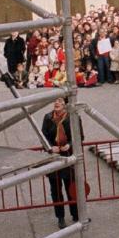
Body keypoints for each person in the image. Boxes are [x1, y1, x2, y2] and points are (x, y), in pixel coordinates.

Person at [41, 97, 83, 229]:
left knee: (72, 188)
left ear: (66, 104)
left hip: (68, 158)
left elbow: (80, 136)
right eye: (55, 100)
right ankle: (60, 217)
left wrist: (69, 145)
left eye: (60, 101)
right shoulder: (48, 117)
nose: (56, 103)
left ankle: (76, 215)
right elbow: (43, 137)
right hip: (53, 158)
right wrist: (49, 147)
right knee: (56, 190)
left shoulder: (73, 117)